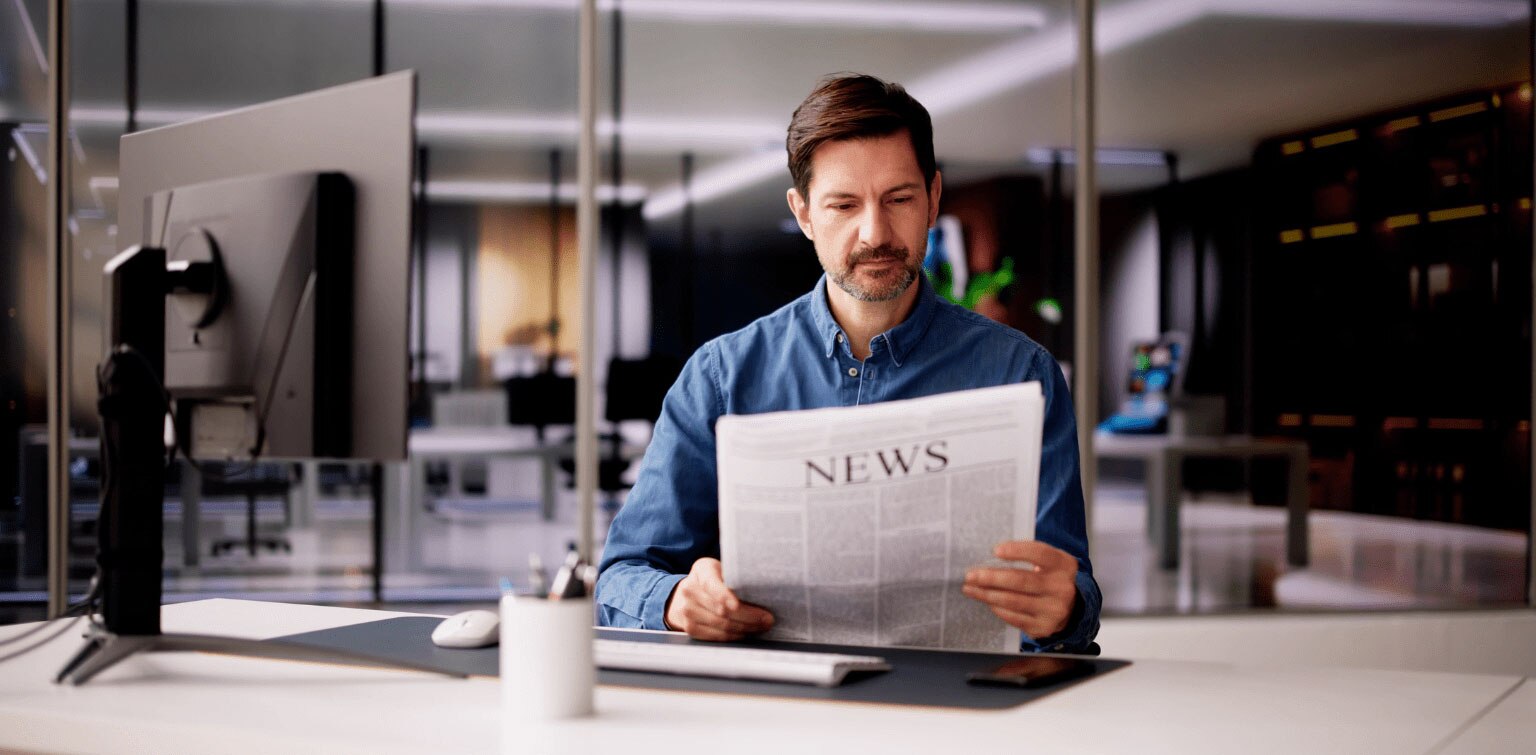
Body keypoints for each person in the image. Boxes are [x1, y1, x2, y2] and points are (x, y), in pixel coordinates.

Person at [595, 73, 1100, 653]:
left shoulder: (1021, 375)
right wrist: (676, 601)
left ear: (933, 198)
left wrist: (1064, 609)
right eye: (843, 204)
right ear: (804, 213)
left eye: (899, 199)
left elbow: (1072, 594)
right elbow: (622, 574)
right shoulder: (720, 378)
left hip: (956, 715)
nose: (875, 233)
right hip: (774, 716)